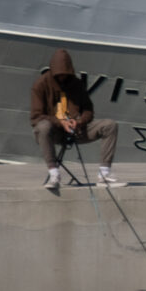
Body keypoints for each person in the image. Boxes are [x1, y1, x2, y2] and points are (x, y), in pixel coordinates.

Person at [30, 48, 120, 193]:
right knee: (43, 126)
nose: (62, 78)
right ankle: (54, 174)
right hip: (54, 132)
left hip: (76, 129)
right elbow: (36, 116)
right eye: (59, 75)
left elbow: (88, 110)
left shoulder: (77, 84)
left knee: (110, 125)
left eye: (66, 75)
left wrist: (79, 121)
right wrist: (60, 123)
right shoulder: (40, 85)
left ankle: (104, 174)